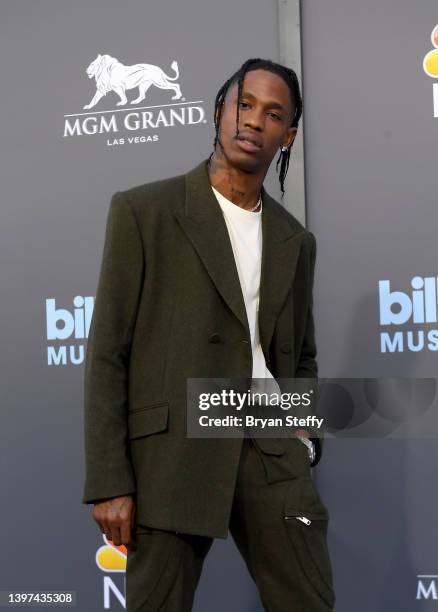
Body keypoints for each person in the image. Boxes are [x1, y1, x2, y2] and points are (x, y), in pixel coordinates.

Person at [82, 58, 335, 611]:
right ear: (219, 110)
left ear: (287, 135)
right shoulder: (144, 211)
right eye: (243, 104)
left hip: (270, 446)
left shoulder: (296, 240)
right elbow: (107, 353)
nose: (253, 121)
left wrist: (303, 439)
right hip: (171, 455)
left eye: (273, 114)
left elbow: (302, 354)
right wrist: (109, 479)